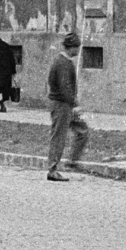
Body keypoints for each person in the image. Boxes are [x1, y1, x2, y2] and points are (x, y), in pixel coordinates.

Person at [45, 33, 89, 182]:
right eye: (77, 47)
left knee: (83, 130)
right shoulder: (62, 63)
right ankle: (52, 169)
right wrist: (74, 105)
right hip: (62, 105)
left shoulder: (65, 61)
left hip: (67, 105)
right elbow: (64, 88)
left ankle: (72, 162)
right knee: (59, 136)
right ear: (71, 48)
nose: (78, 50)